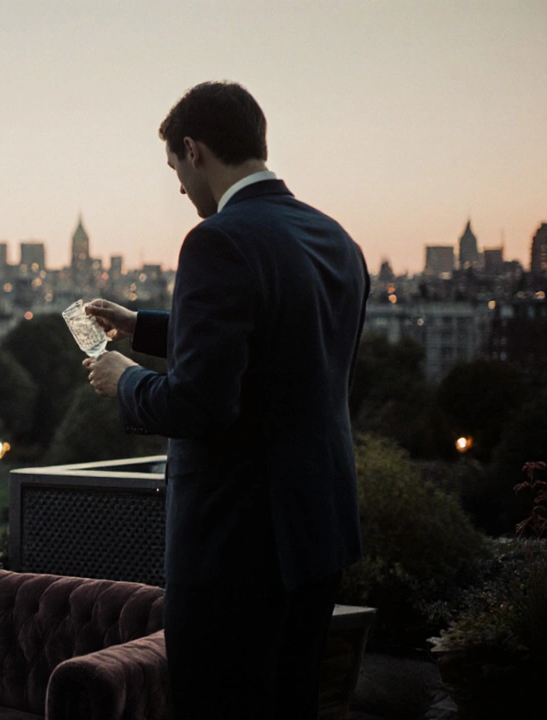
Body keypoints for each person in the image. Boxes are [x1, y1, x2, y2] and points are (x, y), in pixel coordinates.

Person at [82, 81, 370, 720]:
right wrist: (143, 325)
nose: (180, 188)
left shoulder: (218, 240)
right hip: (317, 533)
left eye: (175, 170)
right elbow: (276, 340)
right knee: (292, 701)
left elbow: (201, 404)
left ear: (194, 150)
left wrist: (124, 380)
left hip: (235, 549)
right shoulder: (335, 240)